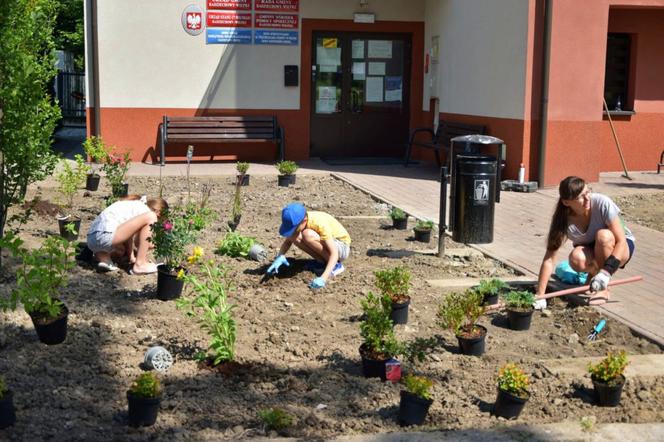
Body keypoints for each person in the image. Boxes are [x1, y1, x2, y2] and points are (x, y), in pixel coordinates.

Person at [535, 176, 635, 307]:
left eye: (588, 192)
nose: (588, 198)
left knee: (603, 236)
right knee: (576, 257)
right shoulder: (562, 220)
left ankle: (603, 289)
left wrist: (606, 272)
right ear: (566, 202)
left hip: (620, 248)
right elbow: (549, 258)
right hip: (594, 249)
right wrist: (540, 295)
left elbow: (621, 242)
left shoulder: (602, 203)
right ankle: (593, 276)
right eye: (581, 197)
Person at [267, 203, 351, 289]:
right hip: (329, 246)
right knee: (294, 236)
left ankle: (336, 266)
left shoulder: (318, 223)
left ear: (303, 221)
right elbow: (288, 241)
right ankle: (321, 262)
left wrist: (323, 278)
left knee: (307, 234)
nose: (293, 230)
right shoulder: (301, 220)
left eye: (294, 228)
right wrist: (280, 256)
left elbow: (334, 253)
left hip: (341, 246)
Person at [87, 195, 168, 274]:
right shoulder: (145, 211)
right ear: (158, 212)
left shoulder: (134, 205)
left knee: (121, 251)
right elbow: (138, 242)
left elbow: (128, 234)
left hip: (92, 240)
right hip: (105, 234)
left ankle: (105, 260)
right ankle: (140, 264)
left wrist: (132, 258)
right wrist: (157, 243)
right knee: (151, 216)